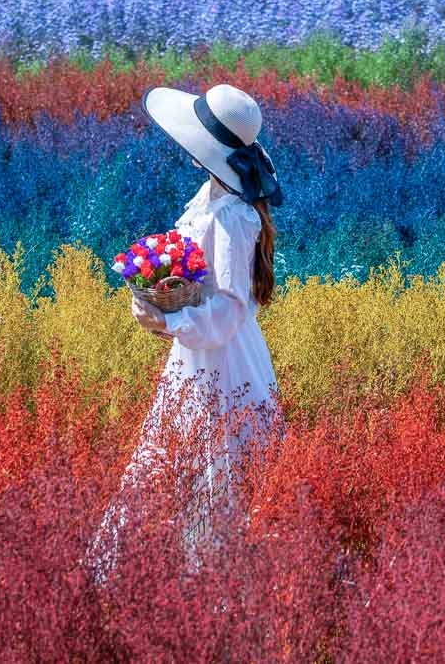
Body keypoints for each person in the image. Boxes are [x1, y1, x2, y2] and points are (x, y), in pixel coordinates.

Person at [85, 83, 286, 583]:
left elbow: (231, 308)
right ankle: (160, 574)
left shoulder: (234, 214)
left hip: (222, 359)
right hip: (199, 353)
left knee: (218, 465)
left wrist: (169, 321)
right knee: (175, 455)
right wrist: (161, 292)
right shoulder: (215, 194)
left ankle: (210, 583)